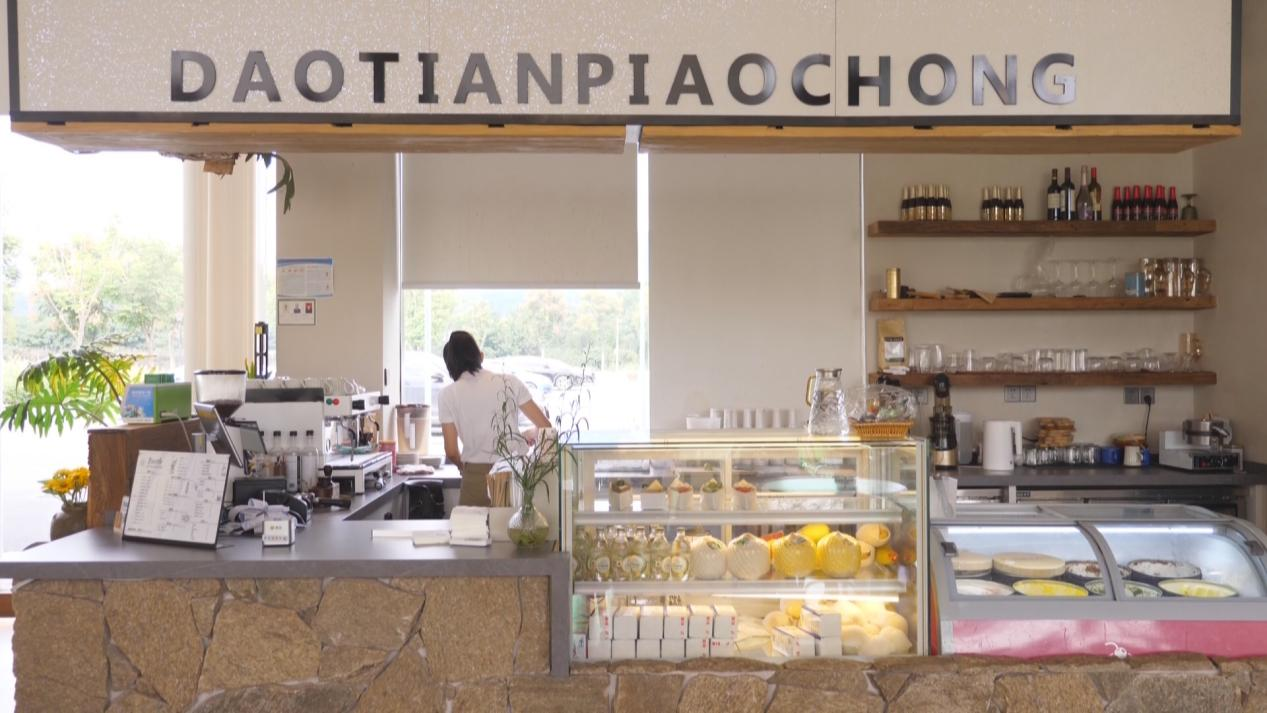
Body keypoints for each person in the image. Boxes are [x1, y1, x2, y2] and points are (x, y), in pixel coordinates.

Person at [436, 331, 551, 506]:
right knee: (513, 522)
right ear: (481, 356)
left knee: (470, 523)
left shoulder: (447, 395)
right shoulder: (510, 382)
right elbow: (546, 427)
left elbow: (451, 451)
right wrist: (525, 442)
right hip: (513, 474)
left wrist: (462, 467)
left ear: (450, 366)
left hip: (475, 478)